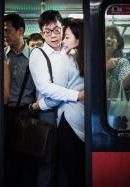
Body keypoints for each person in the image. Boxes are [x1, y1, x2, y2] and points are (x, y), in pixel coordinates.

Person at [29, 10, 84, 187]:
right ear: (42, 32)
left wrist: (39, 104)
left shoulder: (68, 50)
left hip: (65, 113)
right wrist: (77, 95)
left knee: (64, 163)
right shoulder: (38, 54)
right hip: (48, 113)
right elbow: (45, 87)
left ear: (62, 28)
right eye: (47, 31)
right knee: (47, 162)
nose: (53, 36)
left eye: (57, 30)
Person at [3, 13, 36, 187]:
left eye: (8, 31)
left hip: (26, 113)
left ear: (20, 31)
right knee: (7, 158)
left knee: (26, 159)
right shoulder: (1, 56)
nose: (5, 35)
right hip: (5, 112)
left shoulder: (35, 56)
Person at [105, 25, 130, 99]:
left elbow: (125, 86)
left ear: (118, 43)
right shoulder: (93, 62)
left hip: (115, 107)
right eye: (105, 36)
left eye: (112, 37)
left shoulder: (122, 62)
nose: (108, 39)